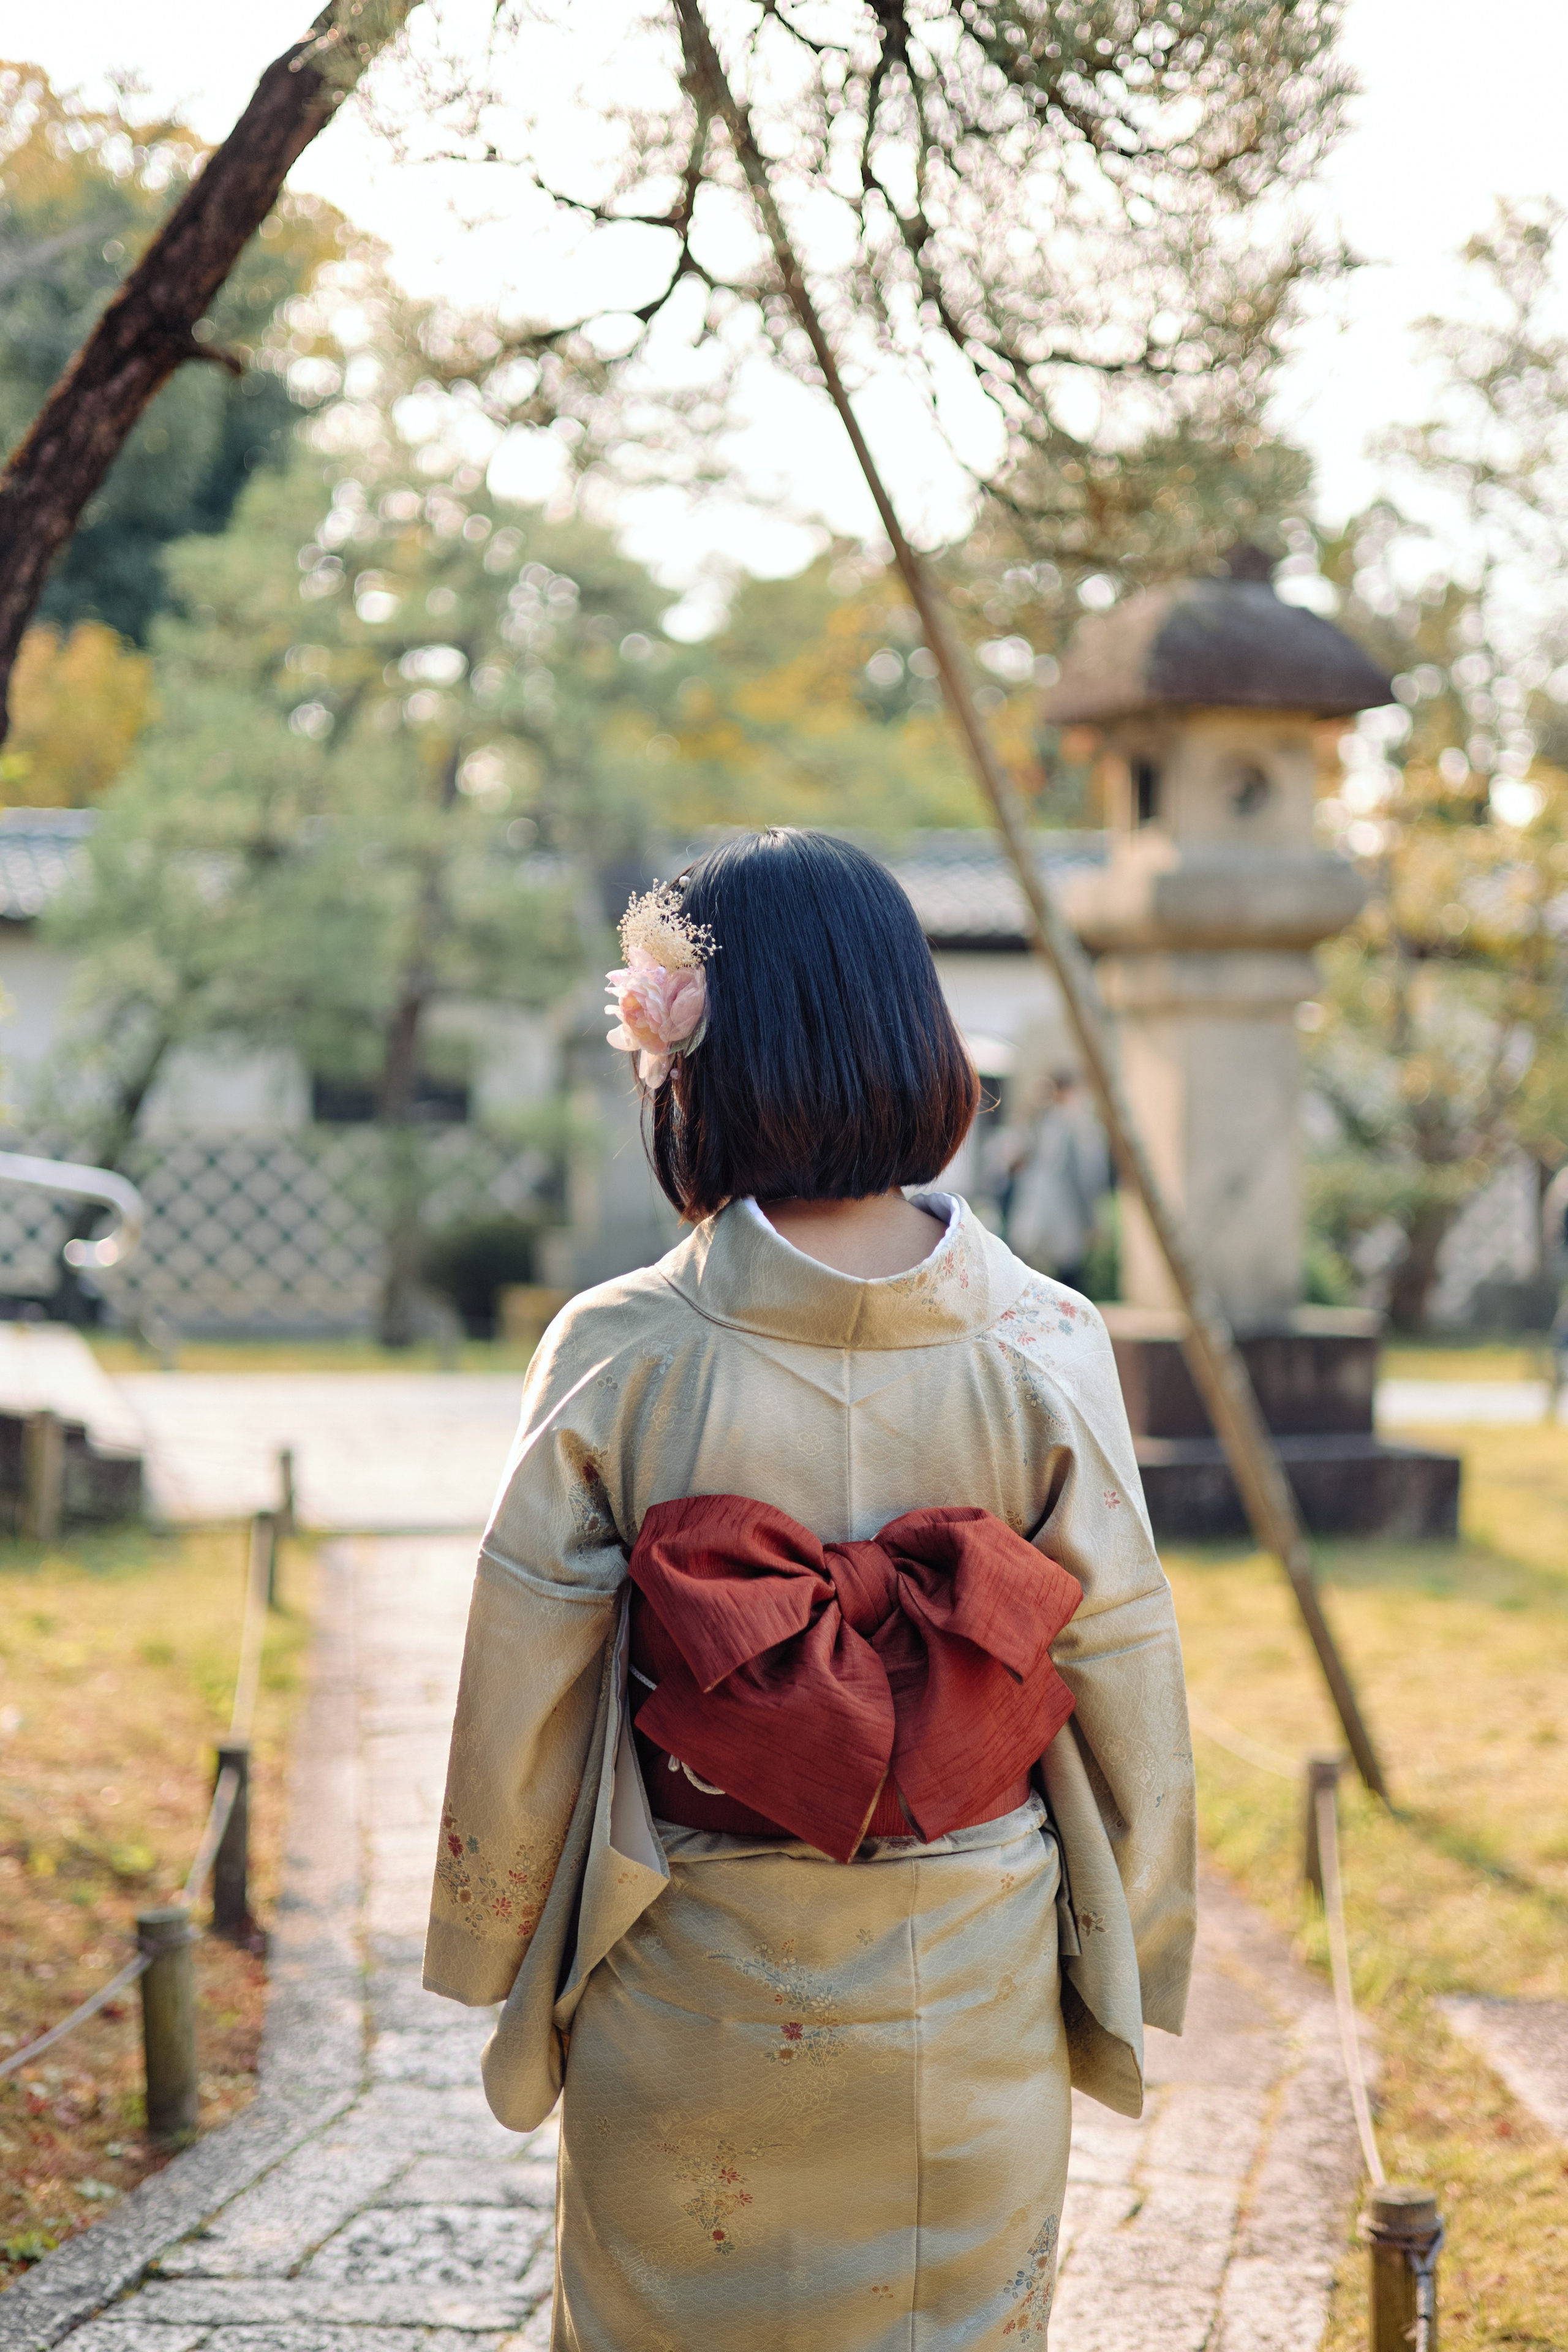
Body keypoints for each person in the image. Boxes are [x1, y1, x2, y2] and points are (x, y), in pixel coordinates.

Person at [424, 829, 1195, 2351]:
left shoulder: (620, 1347)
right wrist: (1133, 1930)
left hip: (690, 1965)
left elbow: (525, 1675)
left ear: (690, 1060)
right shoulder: (1043, 1337)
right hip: (965, 1978)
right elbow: (1121, 1664)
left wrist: (493, 1935)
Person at [999, 1069, 1110, 1293]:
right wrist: (1092, 1219)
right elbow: (1088, 1177)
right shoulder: (1050, 1123)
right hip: (1052, 1211)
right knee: (1064, 1278)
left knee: (1045, 1274)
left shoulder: (1056, 1123)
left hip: (1046, 1212)